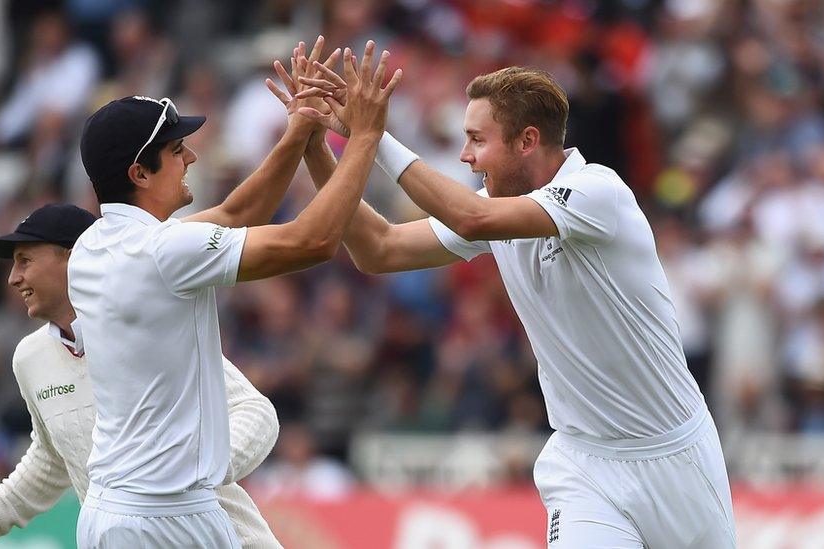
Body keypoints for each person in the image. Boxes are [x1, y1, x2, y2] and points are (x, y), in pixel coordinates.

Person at [292, 62, 736, 547]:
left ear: (527, 141)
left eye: (477, 139)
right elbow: (378, 250)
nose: (465, 156)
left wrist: (374, 136)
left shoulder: (597, 191)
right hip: (583, 464)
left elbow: (471, 218)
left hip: (674, 455)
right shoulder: (499, 206)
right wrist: (318, 145)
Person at [68, 40, 400, 548]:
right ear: (139, 174)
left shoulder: (93, 245)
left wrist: (300, 131)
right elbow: (313, 241)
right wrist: (364, 139)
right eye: (176, 151)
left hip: (111, 511)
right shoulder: (165, 250)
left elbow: (232, 216)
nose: (191, 156)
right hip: (168, 516)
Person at [0, 203, 283, 549]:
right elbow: (51, 460)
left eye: (25, 260)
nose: (13, 278)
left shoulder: (147, 324)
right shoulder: (30, 358)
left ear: (73, 256)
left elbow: (256, 412)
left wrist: (189, 477)